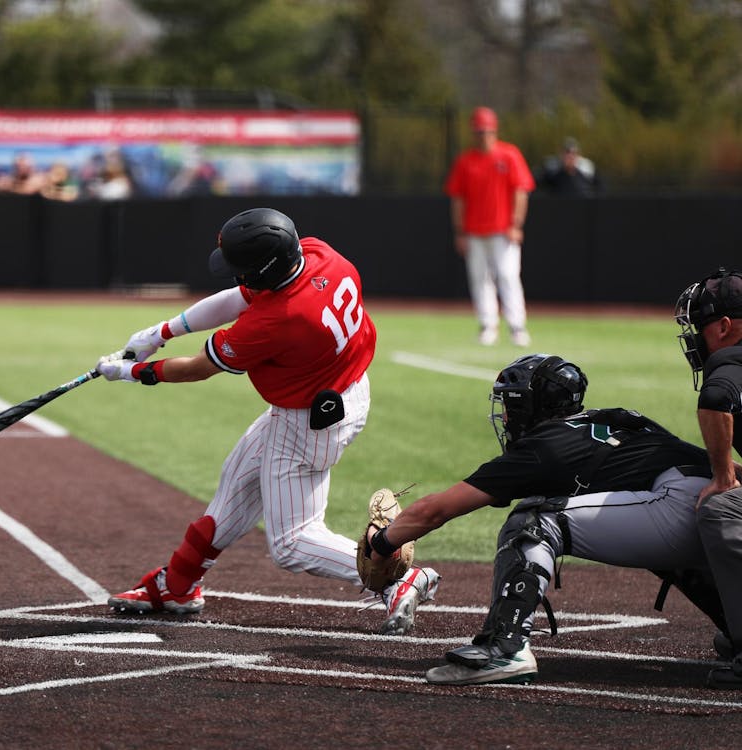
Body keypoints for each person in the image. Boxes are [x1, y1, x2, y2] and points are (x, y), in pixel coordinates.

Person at [95, 207, 440, 635]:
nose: (237, 277)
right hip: (334, 393)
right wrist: (159, 332)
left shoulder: (280, 319)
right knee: (234, 489)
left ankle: (395, 577)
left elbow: (199, 367)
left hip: (309, 421)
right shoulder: (319, 254)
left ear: (265, 269)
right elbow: (238, 298)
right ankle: (178, 585)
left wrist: (130, 372)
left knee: (293, 543)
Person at [363, 352, 723, 685]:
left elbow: (438, 509)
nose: (505, 415)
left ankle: (505, 649)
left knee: (534, 518)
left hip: (679, 507)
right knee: (663, 544)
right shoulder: (618, 418)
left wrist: (381, 544)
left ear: (529, 407)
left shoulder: (545, 446)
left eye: (509, 404)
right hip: (721, 503)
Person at [674, 268, 742, 689]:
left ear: (724, 327)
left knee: (719, 506)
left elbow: (716, 398)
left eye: (698, 328)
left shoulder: (731, 356)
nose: (695, 340)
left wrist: (721, 475)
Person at [445, 106, 535, 347]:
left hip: (502, 231)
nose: (482, 136)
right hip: (474, 231)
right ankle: (488, 325)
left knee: (508, 275)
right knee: (479, 278)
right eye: (478, 131)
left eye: (486, 131)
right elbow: (457, 198)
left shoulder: (509, 155)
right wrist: (460, 231)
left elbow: (521, 191)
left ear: (494, 130)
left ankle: (517, 326)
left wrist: (516, 224)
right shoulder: (465, 162)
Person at [536, 137, 602, 196]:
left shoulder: (587, 171)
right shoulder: (552, 171)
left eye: (573, 153)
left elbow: (600, 189)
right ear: (561, 154)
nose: (570, 156)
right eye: (567, 153)